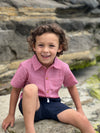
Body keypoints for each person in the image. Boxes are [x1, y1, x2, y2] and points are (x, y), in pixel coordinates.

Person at [2, 23, 96, 133]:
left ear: (59, 48)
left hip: (54, 104)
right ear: (34, 46)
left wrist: (80, 110)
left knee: (83, 120)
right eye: (41, 45)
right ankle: (30, 130)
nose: (46, 50)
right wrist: (10, 114)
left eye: (51, 46)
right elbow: (15, 90)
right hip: (32, 106)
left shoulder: (63, 67)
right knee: (31, 88)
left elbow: (72, 87)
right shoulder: (25, 66)